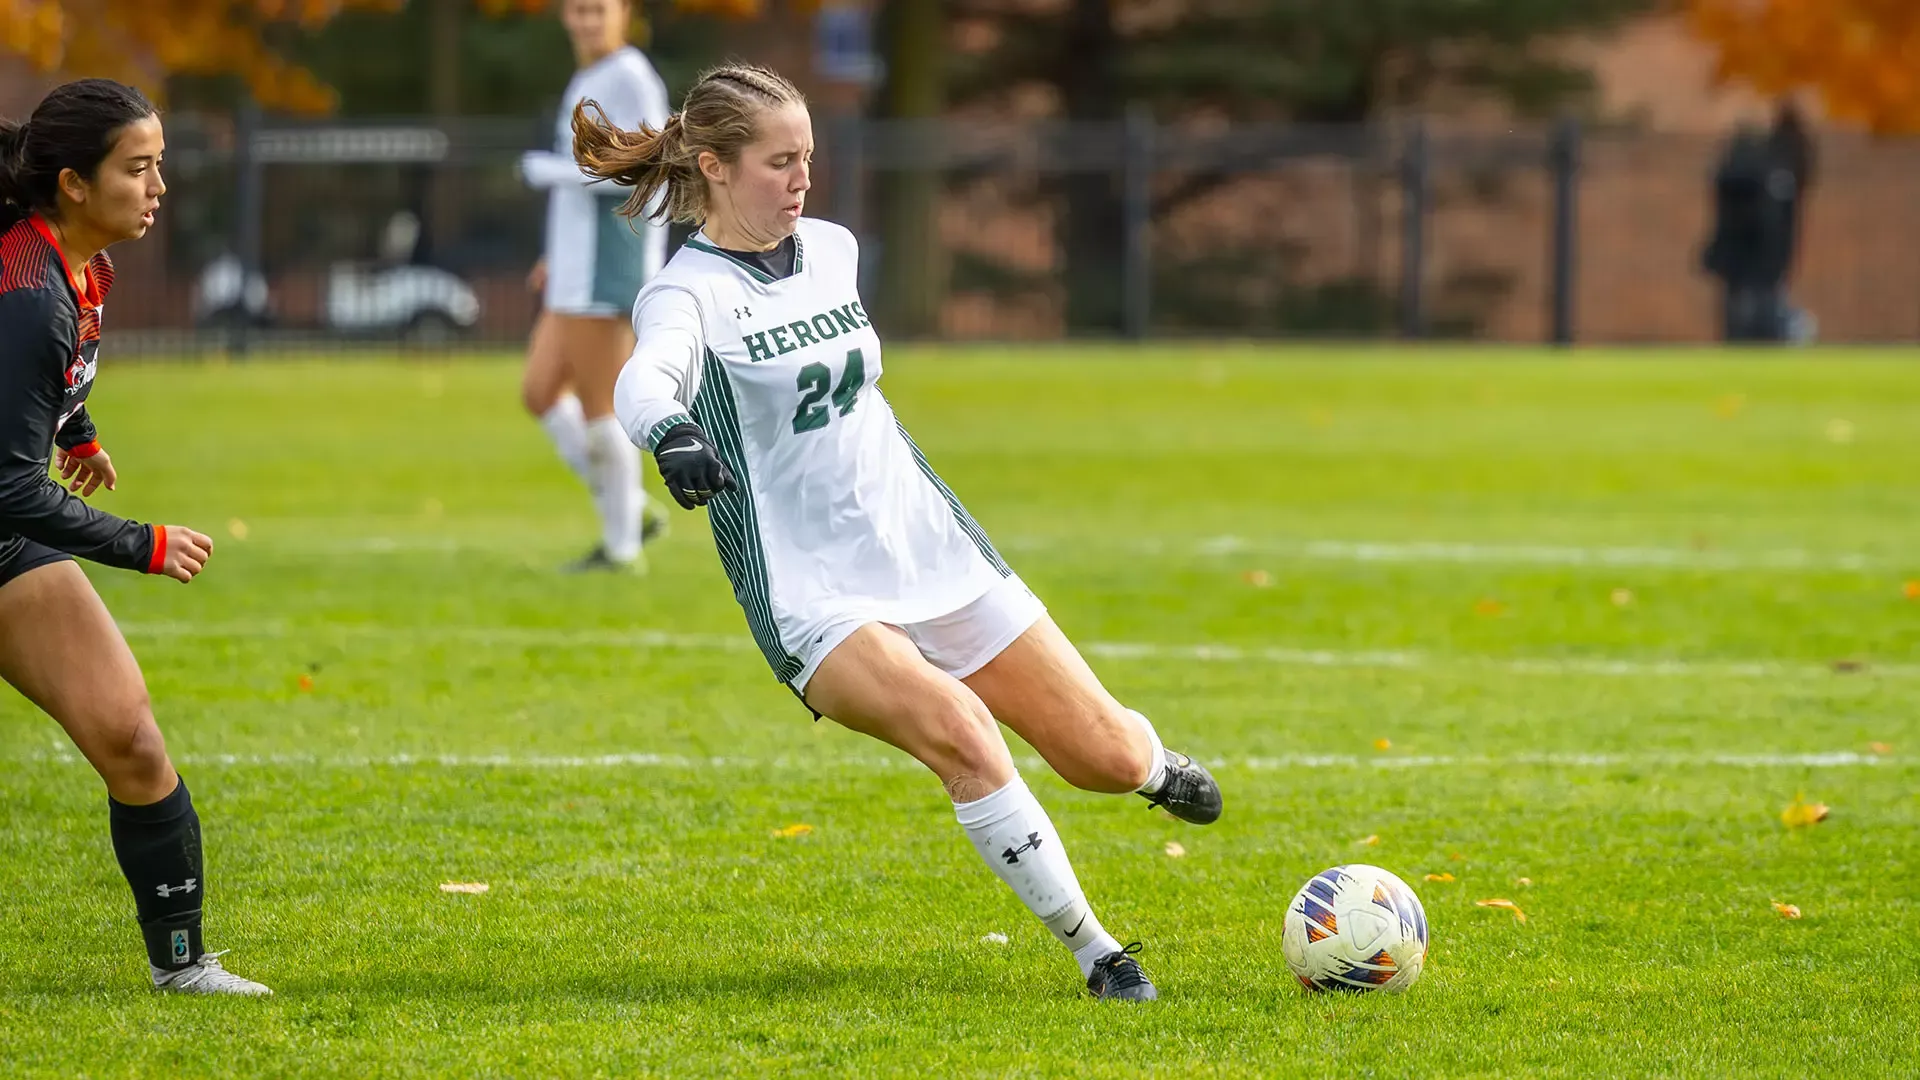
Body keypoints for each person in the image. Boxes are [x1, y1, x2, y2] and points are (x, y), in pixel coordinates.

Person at [576, 64, 1223, 1002]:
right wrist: (671, 435)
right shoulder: (686, 295)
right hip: (814, 594)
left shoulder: (832, 250)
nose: (801, 180)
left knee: (1106, 758)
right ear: (713, 167)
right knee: (962, 734)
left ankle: (1153, 762)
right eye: (778, 163)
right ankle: (1099, 952)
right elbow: (646, 380)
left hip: (932, 550)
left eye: (808, 158)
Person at [0, 79, 268, 995]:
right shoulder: (25, 294)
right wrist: (139, 543)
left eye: (160, 165)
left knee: (130, 736)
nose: (159, 188)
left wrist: (78, 434)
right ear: (74, 182)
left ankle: (182, 966)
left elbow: (45, 384)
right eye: (139, 169)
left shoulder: (85, 268)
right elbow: (4, 483)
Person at [519, 0, 672, 572]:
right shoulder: (590, 75)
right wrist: (553, 254)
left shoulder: (630, 74)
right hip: (575, 262)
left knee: (599, 408)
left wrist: (554, 172)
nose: (586, 20)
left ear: (623, 13)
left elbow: (649, 165)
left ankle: (622, 548)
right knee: (539, 391)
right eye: (578, 9)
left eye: (597, 9)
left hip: (607, 263)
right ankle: (629, 507)